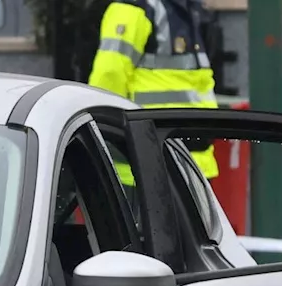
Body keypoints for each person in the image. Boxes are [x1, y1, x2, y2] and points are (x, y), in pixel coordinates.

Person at [88, 0, 220, 181]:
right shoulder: (134, 7)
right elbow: (108, 78)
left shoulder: (189, 9)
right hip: (146, 167)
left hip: (191, 163)